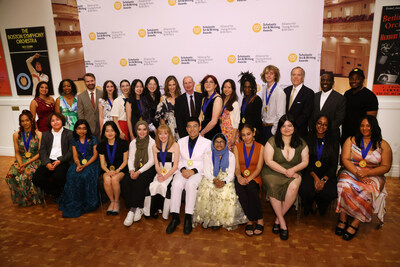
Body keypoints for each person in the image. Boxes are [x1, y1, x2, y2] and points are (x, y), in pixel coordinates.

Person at [336, 115, 392, 241]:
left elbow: (386, 166)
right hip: (352, 171)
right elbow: (345, 159)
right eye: (362, 125)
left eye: (368, 125)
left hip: (374, 174)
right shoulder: (351, 140)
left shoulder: (383, 145)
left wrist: (366, 174)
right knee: (343, 185)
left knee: (368, 190)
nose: (364, 128)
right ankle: (343, 218)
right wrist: (357, 173)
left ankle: (355, 223)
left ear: (374, 127)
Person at [262, 114, 309, 240]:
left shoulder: (301, 143)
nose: (287, 128)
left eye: (290, 125)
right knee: (272, 184)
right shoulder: (271, 141)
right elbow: (268, 161)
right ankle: (282, 223)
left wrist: (292, 170)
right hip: (273, 171)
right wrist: (285, 171)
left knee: (294, 187)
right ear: (279, 128)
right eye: (283, 126)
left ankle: (278, 218)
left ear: (294, 127)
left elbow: (305, 162)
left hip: (294, 171)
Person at [166, 117, 211, 234]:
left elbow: (207, 161)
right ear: (186, 129)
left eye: (195, 126)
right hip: (183, 170)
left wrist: (194, 170)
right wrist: (183, 169)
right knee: (176, 184)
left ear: (199, 127)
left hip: (198, 172)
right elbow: (178, 159)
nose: (192, 129)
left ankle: (188, 217)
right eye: (189, 126)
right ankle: (175, 217)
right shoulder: (180, 142)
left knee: (190, 185)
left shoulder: (207, 143)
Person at [193, 133, 247, 230]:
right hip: (211, 178)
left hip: (225, 178)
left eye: (222, 142)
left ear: (225, 143)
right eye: (217, 142)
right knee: (207, 189)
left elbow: (231, 174)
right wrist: (215, 180)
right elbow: (206, 172)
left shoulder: (231, 155)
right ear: (213, 143)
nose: (219, 144)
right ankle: (208, 218)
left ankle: (218, 220)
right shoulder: (208, 154)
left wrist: (224, 182)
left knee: (225, 192)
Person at [299, 114, 339, 216]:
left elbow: (334, 165)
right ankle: (310, 203)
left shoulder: (333, 141)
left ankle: (320, 204)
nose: (322, 126)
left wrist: (324, 179)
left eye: (325, 124)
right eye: (319, 123)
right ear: (315, 124)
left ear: (328, 126)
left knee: (329, 192)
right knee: (306, 189)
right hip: (310, 172)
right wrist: (315, 177)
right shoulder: (307, 139)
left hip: (327, 174)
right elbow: (305, 162)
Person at [58, 119, 100, 218]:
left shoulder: (93, 139)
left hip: (92, 162)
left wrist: (85, 165)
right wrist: (78, 164)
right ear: (75, 130)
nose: (82, 131)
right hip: (79, 161)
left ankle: (88, 201)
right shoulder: (74, 140)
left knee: (85, 176)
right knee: (72, 175)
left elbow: (95, 155)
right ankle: (74, 200)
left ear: (87, 129)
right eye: (79, 128)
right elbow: (75, 156)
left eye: (84, 128)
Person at [121, 121, 156, 226]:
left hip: (148, 168)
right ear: (136, 130)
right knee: (125, 182)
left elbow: (151, 161)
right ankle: (138, 207)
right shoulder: (133, 143)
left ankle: (132, 211)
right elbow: (130, 159)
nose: (142, 132)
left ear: (147, 130)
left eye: (144, 129)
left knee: (139, 181)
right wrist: (132, 170)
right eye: (139, 129)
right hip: (136, 167)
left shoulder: (152, 142)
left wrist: (139, 172)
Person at [32, 112, 73, 199]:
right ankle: (56, 192)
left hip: (62, 161)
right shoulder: (46, 134)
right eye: (53, 121)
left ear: (62, 120)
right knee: (36, 178)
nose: (55, 122)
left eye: (57, 120)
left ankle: (57, 193)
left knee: (58, 177)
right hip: (49, 160)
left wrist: (60, 161)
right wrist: (47, 163)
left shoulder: (69, 134)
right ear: (50, 123)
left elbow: (70, 151)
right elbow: (42, 151)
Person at [6, 110, 43, 206]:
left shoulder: (38, 134)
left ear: (31, 120)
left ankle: (33, 199)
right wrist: (20, 164)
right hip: (21, 160)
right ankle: (21, 200)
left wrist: (25, 164)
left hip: (35, 160)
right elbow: (17, 152)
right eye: (22, 121)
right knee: (11, 175)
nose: (25, 123)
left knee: (25, 175)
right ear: (20, 122)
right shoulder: (16, 135)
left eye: (27, 120)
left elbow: (40, 153)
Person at [234, 124, 265, 236]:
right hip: (241, 176)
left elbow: (258, 168)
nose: (246, 137)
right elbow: (236, 167)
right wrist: (239, 177)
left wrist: (248, 179)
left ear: (253, 133)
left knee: (251, 188)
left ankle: (260, 219)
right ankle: (249, 220)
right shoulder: (237, 147)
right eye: (243, 135)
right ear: (240, 136)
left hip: (254, 176)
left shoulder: (261, 147)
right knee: (239, 189)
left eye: (248, 134)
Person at [147, 124, 179, 220]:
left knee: (165, 186)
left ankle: (164, 212)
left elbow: (176, 165)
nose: (163, 136)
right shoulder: (155, 147)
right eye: (160, 133)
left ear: (169, 134)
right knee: (154, 185)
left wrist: (166, 177)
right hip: (160, 173)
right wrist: (160, 175)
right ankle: (155, 209)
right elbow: (156, 164)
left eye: (165, 133)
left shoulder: (175, 145)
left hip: (171, 173)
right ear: (157, 135)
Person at [97, 121, 129, 215]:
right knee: (107, 179)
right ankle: (112, 201)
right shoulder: (101, 146)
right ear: (104, 133)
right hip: (108, 170)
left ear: (116, 132)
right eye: (107, 131)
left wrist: (117, 170)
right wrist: (108, 171)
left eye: (112, 130)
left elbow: (125, 161)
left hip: (121, 169)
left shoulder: (123, 143)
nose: (110, 133)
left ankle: (117, 201)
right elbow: (102, 164)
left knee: (114, 179)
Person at [341, 68, 379, 144]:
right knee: (345, 155)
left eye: (357, 79)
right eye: (351, 79)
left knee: (359, 155)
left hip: (361, 135)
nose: (354, 81)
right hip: (346, 134)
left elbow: (371, 120)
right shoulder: (347, 94)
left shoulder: (370, 96)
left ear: (363, 80)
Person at [310, 72, 345, 140]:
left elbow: (339, 119)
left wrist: (323, 129)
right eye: (323, 80)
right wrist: (315, 129)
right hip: (314, 135)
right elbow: (310, 116)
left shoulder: (340, 98)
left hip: (331, 136)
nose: (325, 82)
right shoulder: (314, 96)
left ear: (333, 82)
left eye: (328, 80)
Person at [284, 66, 314, 137]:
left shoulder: (309, 93)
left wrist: (291, 126)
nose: (296, 77)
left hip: (299, 132)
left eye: (299, 75)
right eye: (293, 75)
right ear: (291, 77)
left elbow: (306, 114)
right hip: (285, 131)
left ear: (303, 78)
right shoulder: (286, 91)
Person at [260, 65, 286, 143]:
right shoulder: (264, 89)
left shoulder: (279, 92)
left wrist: (274, 131)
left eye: (271, 73)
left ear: (275, 76)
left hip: (272, 128)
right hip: (264, 126)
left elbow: (281, 115)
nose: (268, 75)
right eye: (267, 73)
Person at [238, 72, 263, 144]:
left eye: (249, 87)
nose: (247, 89)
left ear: (253, 88)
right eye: (245, 87)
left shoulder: (257, 99)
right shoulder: (244, 99)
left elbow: (257, 119)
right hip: (245, 133)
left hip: (254, 134)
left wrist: (252, 133)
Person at [155, 75, 181, 140]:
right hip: (168, 128)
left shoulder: (180, 97)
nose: (172, 87)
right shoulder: (163, 98)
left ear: (176, 85)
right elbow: (161, 117)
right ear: (167, 86)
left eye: (173, 84)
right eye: (169, 85)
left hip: (180, 128)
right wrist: (166, 131)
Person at [77, 73, 101, 138]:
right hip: (88, 129)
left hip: (101, 128)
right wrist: (83, 128)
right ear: (85, 82)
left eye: (92, 80)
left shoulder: (102, 93)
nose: (90, 83)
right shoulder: (80, 96)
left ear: (95, 80)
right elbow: (80, 114)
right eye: (87, 81)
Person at [199, 75, 222, 140]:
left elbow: (214, 121)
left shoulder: (217, 98)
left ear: (215, 85)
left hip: (213, 132)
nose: (208, 84)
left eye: (211, 82)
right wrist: (199, 129)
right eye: (206, 82)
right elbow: (200, 116)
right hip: (203, 132)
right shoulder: (204, 98)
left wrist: (202, 133)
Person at [220, 79, 240, 151]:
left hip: (231, 133)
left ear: (233, 89)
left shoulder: (235, 104)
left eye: (229, 87)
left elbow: (236, 122)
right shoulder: (220, 101)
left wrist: (234, 137)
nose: (226, 89)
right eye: (225, 87)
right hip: (222, 131)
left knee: (231, 155)